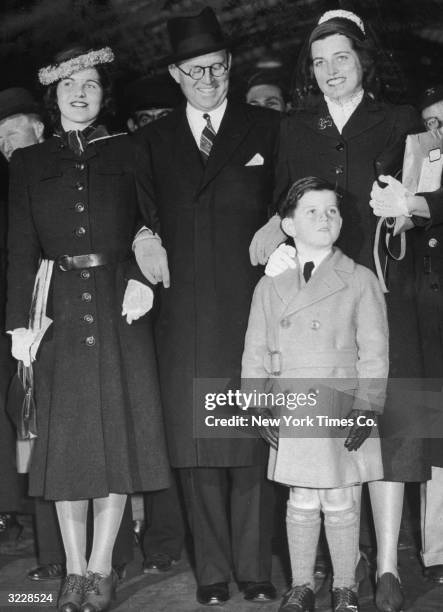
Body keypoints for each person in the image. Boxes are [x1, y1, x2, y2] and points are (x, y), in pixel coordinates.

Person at [250, 10, 428, 612]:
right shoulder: (296, 127)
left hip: (380, 290)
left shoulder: (400, 120)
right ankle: (338, 567)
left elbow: (428, 187)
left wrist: (416, 204)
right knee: (321, 437)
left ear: (362, 61)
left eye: (341, 59)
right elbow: (282, 199)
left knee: (386, 427)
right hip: (317, 298)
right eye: (319, 62)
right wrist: (276, 236)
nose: (330, 71)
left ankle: (384, 569)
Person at [6, 45, 170, 612]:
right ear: (53, 97)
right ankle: (73, 571)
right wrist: (18, 327)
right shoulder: (28, 163)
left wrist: (138, 274)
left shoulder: (132, 150)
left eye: (93, 83)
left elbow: (151, 221)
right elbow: (21, 250)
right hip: (55, 316)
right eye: (70, 84)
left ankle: (101, 567)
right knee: (66, 447)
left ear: (104, 94)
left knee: (117, 441)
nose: (81, 92)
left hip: (119, 310)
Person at [133, 6, 279, 606]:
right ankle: (213, 573)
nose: (207, 80)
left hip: (250, 312)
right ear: (175, 75)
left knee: (250, 445)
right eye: (194, 72)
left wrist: (281, 221)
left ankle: (255, 569)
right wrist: (142, 237)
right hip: (186, 316)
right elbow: (134, 212)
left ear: (230, 65)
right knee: (196, 452)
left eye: (216, 68)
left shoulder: (267, 129)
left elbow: (300, 191)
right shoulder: (151, 140)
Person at [243, 176, 388, 612]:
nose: (325, 219)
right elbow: (253, 350)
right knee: (301, 498)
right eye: (312, 211)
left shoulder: (360, 279)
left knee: (341, 495)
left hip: (341, 403)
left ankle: (345, 585)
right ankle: (301, 585)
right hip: (292, 403)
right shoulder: (270, 286)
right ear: (287, 225)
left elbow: (376, 352)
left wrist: (368, 407)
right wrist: (258, 404)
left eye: (332, 211)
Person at [370, 83, 443, 587]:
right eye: (432, 123)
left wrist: (415, 204)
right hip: (426, 316)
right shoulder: (421, 164)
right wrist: (399, 222)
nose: (439, 132)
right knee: (434, 432)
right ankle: (437, 549)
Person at [125, 73, 186, 574]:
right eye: (141, 119)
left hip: (190, 301)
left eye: (159, 118)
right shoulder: (127, 160)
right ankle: (163, 537)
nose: (151, 128)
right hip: (145, 309)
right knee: (160, 424)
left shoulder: (179, 156)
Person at [0, 87, 43, 548]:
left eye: (15, 131)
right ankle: (10, 506)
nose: (9, 144)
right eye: (1, 139)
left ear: (39, 129)